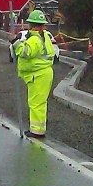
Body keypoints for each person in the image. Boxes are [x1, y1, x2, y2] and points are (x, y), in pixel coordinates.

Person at [12, 9, 56, 139]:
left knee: (36, 103)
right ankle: (39, 128)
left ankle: (37, 131)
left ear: (32, 25)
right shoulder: (45, 36)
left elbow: (25, 52)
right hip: (44, 73)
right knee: (40, 102)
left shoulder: (35, 39)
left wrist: (15, 42)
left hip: (38, 74)